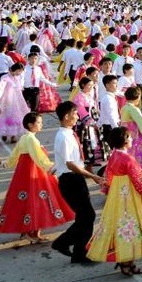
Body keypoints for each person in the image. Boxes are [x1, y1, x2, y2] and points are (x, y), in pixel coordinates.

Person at [86, 126, 142, 276]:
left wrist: (110, 189)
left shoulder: (114, 155)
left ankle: (126, 261)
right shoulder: (128, 158)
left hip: (117, 195)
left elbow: (109, 176)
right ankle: (126, 262)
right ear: (124, 141)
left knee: (120, 225)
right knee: (132, 226)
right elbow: (140, 179)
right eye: (129, 137)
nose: (131, 139)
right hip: (130, 196)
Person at [0, 112, 74, 243]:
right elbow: (38, 156)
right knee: (37, 199)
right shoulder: (31, 139)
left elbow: (15, 154)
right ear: (30, 125)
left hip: (23, 172)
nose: (41, 125)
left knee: (24, 200)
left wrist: (7, 164)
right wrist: (50, 167)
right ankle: (32, 232)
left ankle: (27, 230)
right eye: (38, 122)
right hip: (34, 171)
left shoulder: (24, 138)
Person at [52, 101, 103, 264]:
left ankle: (68, 245)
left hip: (74, 179)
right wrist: (93, 176)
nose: (77, 116)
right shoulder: (64, 136)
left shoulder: (69, 133)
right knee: (87, 216)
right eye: (75, 113)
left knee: (85, 217)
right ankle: (76, 251)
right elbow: (70, 164)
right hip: (71, 180)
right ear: (66, 116)